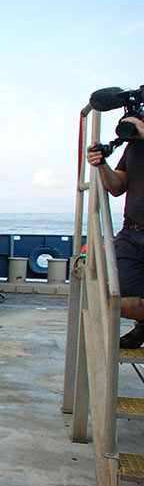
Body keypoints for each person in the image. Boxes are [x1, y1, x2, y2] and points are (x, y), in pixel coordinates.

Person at [87, 116, 144, 348]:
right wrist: (102, 164)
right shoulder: (133, 146)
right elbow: (117, 187)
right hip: (132, 234)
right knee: (118, 302)